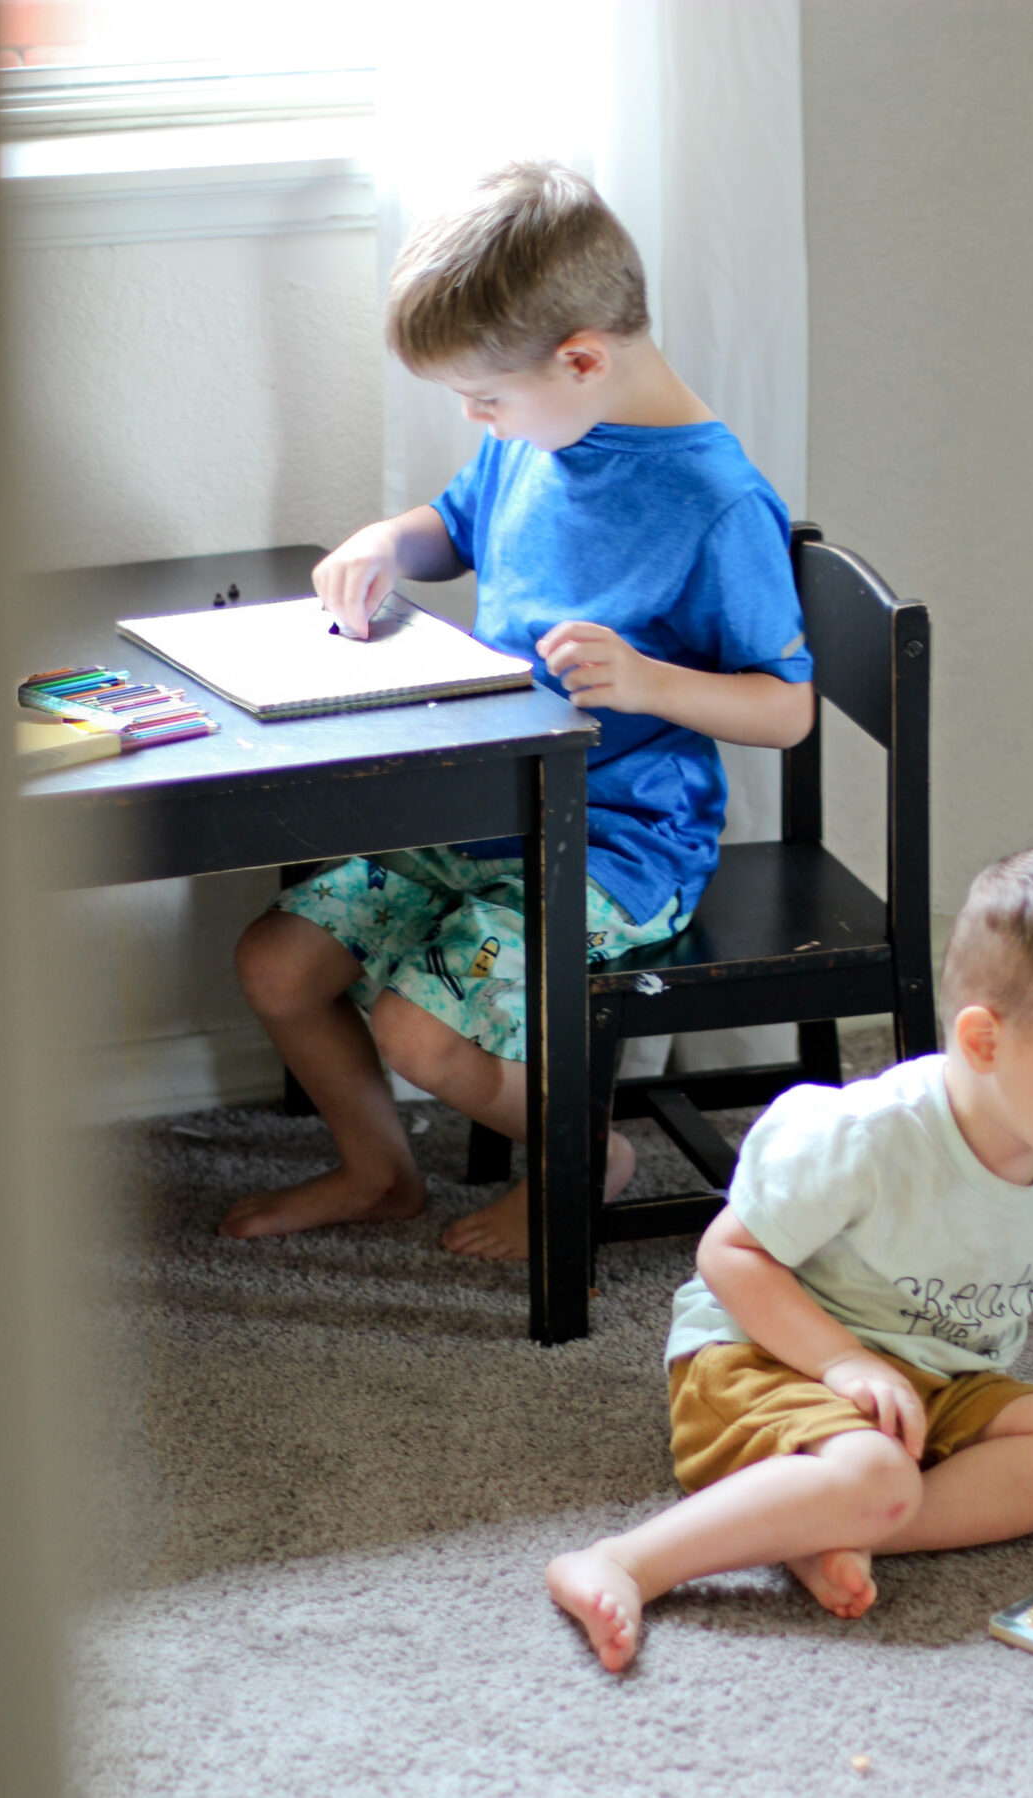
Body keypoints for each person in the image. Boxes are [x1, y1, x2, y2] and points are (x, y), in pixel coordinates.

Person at [219, 161, 814, 1257]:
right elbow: (454, 523)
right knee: (278, 962)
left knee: (416, 1023)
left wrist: (646, 682)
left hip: (615, 845)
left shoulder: (714, 504)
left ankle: (589, 1157)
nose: (475, 419)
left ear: (581, 357)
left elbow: (787, 711)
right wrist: (383, 545)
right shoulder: (534, 439)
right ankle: (377, 1171)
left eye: (483, 397)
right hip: (488, 804)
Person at [546, 845, 1033, 1672]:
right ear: (983, 1041)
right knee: (876, 1473)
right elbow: (733, 1254)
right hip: (770, 1355)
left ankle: (822, 1518)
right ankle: (627, 1560)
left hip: (938, 1379)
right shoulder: (865, 1136)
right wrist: (842, 1364)